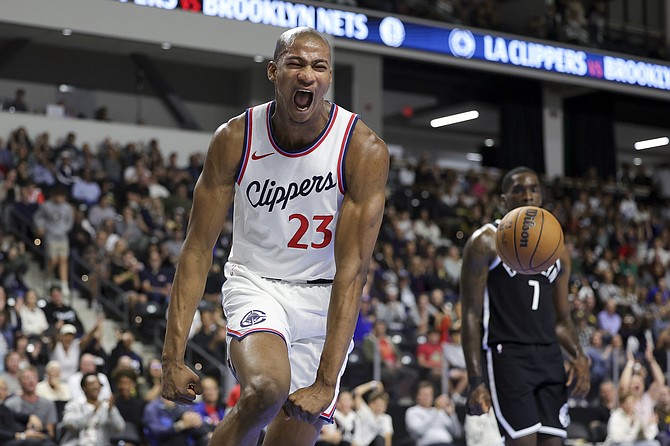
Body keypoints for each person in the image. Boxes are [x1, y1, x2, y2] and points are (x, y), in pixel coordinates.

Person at [160, 26, 389, 446]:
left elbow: (354, 272)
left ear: (329, 78)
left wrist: (324, 381)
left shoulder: (362, 149)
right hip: (257, 283)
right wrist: (172, 357)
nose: (307, 75)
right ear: (273, 71)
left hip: (326, 299)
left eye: (319, 66)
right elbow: (196, 249)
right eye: (295, 63)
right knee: (267, 389)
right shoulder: (235, 138)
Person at [461, 166, 590, 445]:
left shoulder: (559, 249)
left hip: (550, 357)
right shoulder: (485, 241)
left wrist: (579, 355)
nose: (527, 195)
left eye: (534, 189)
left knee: (554, 442)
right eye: (518, 189)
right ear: (503, 199)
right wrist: (475, 380)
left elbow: (562, 319)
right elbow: (471, 314)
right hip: (508, 356)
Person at [59, 372, 126, 446]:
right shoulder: (74, 405)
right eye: (92, 384)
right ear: (83, 388)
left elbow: (120, 427)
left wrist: (111, 410)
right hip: (77, 443)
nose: (96, 387)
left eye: (98, 384)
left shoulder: (106, 406)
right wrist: (93, 411)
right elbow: (68, 422)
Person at [404, 380, 463, 446]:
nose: (427, 398)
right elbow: (419, 431)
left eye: (430, 394)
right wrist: (436, 410)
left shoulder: (440, 411)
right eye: (425, 395)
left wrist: (452, 415)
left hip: (448, 443)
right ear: (418, 396)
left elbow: (457, 433)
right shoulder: (413, 411)